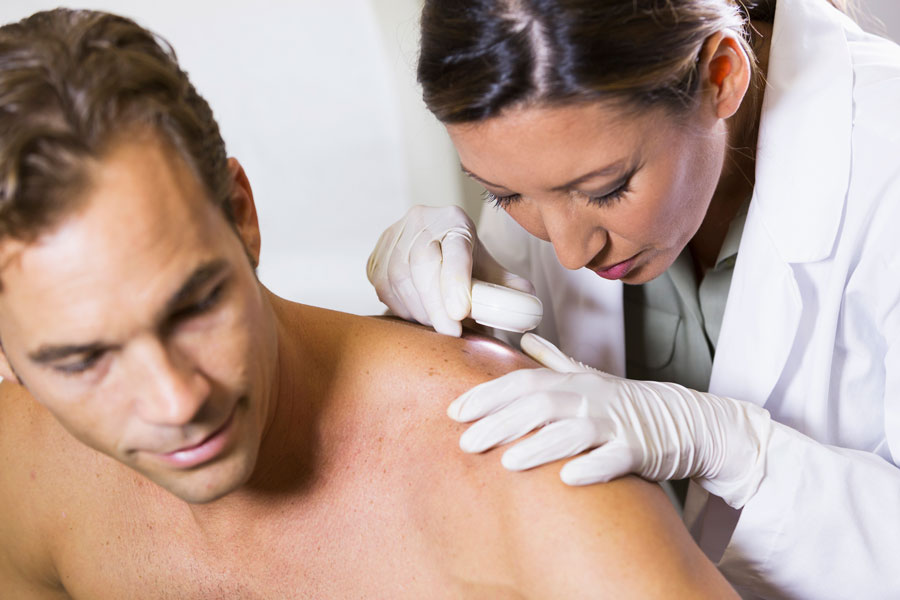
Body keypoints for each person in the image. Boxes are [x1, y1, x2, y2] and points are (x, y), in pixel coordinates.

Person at [0, 8, 738, 598]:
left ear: (241, 212)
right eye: (83, 359)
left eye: (194, 308)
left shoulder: (528, 477)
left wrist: (744, 450)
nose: (174, 402)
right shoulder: (24, 471)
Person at [366, 0, 900, 597]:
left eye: (607, 189)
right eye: (504, 195)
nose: (569, 252)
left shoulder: (887, 163)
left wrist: (739, 451)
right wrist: (449, 311)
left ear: (720, 77)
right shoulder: (558, 162)